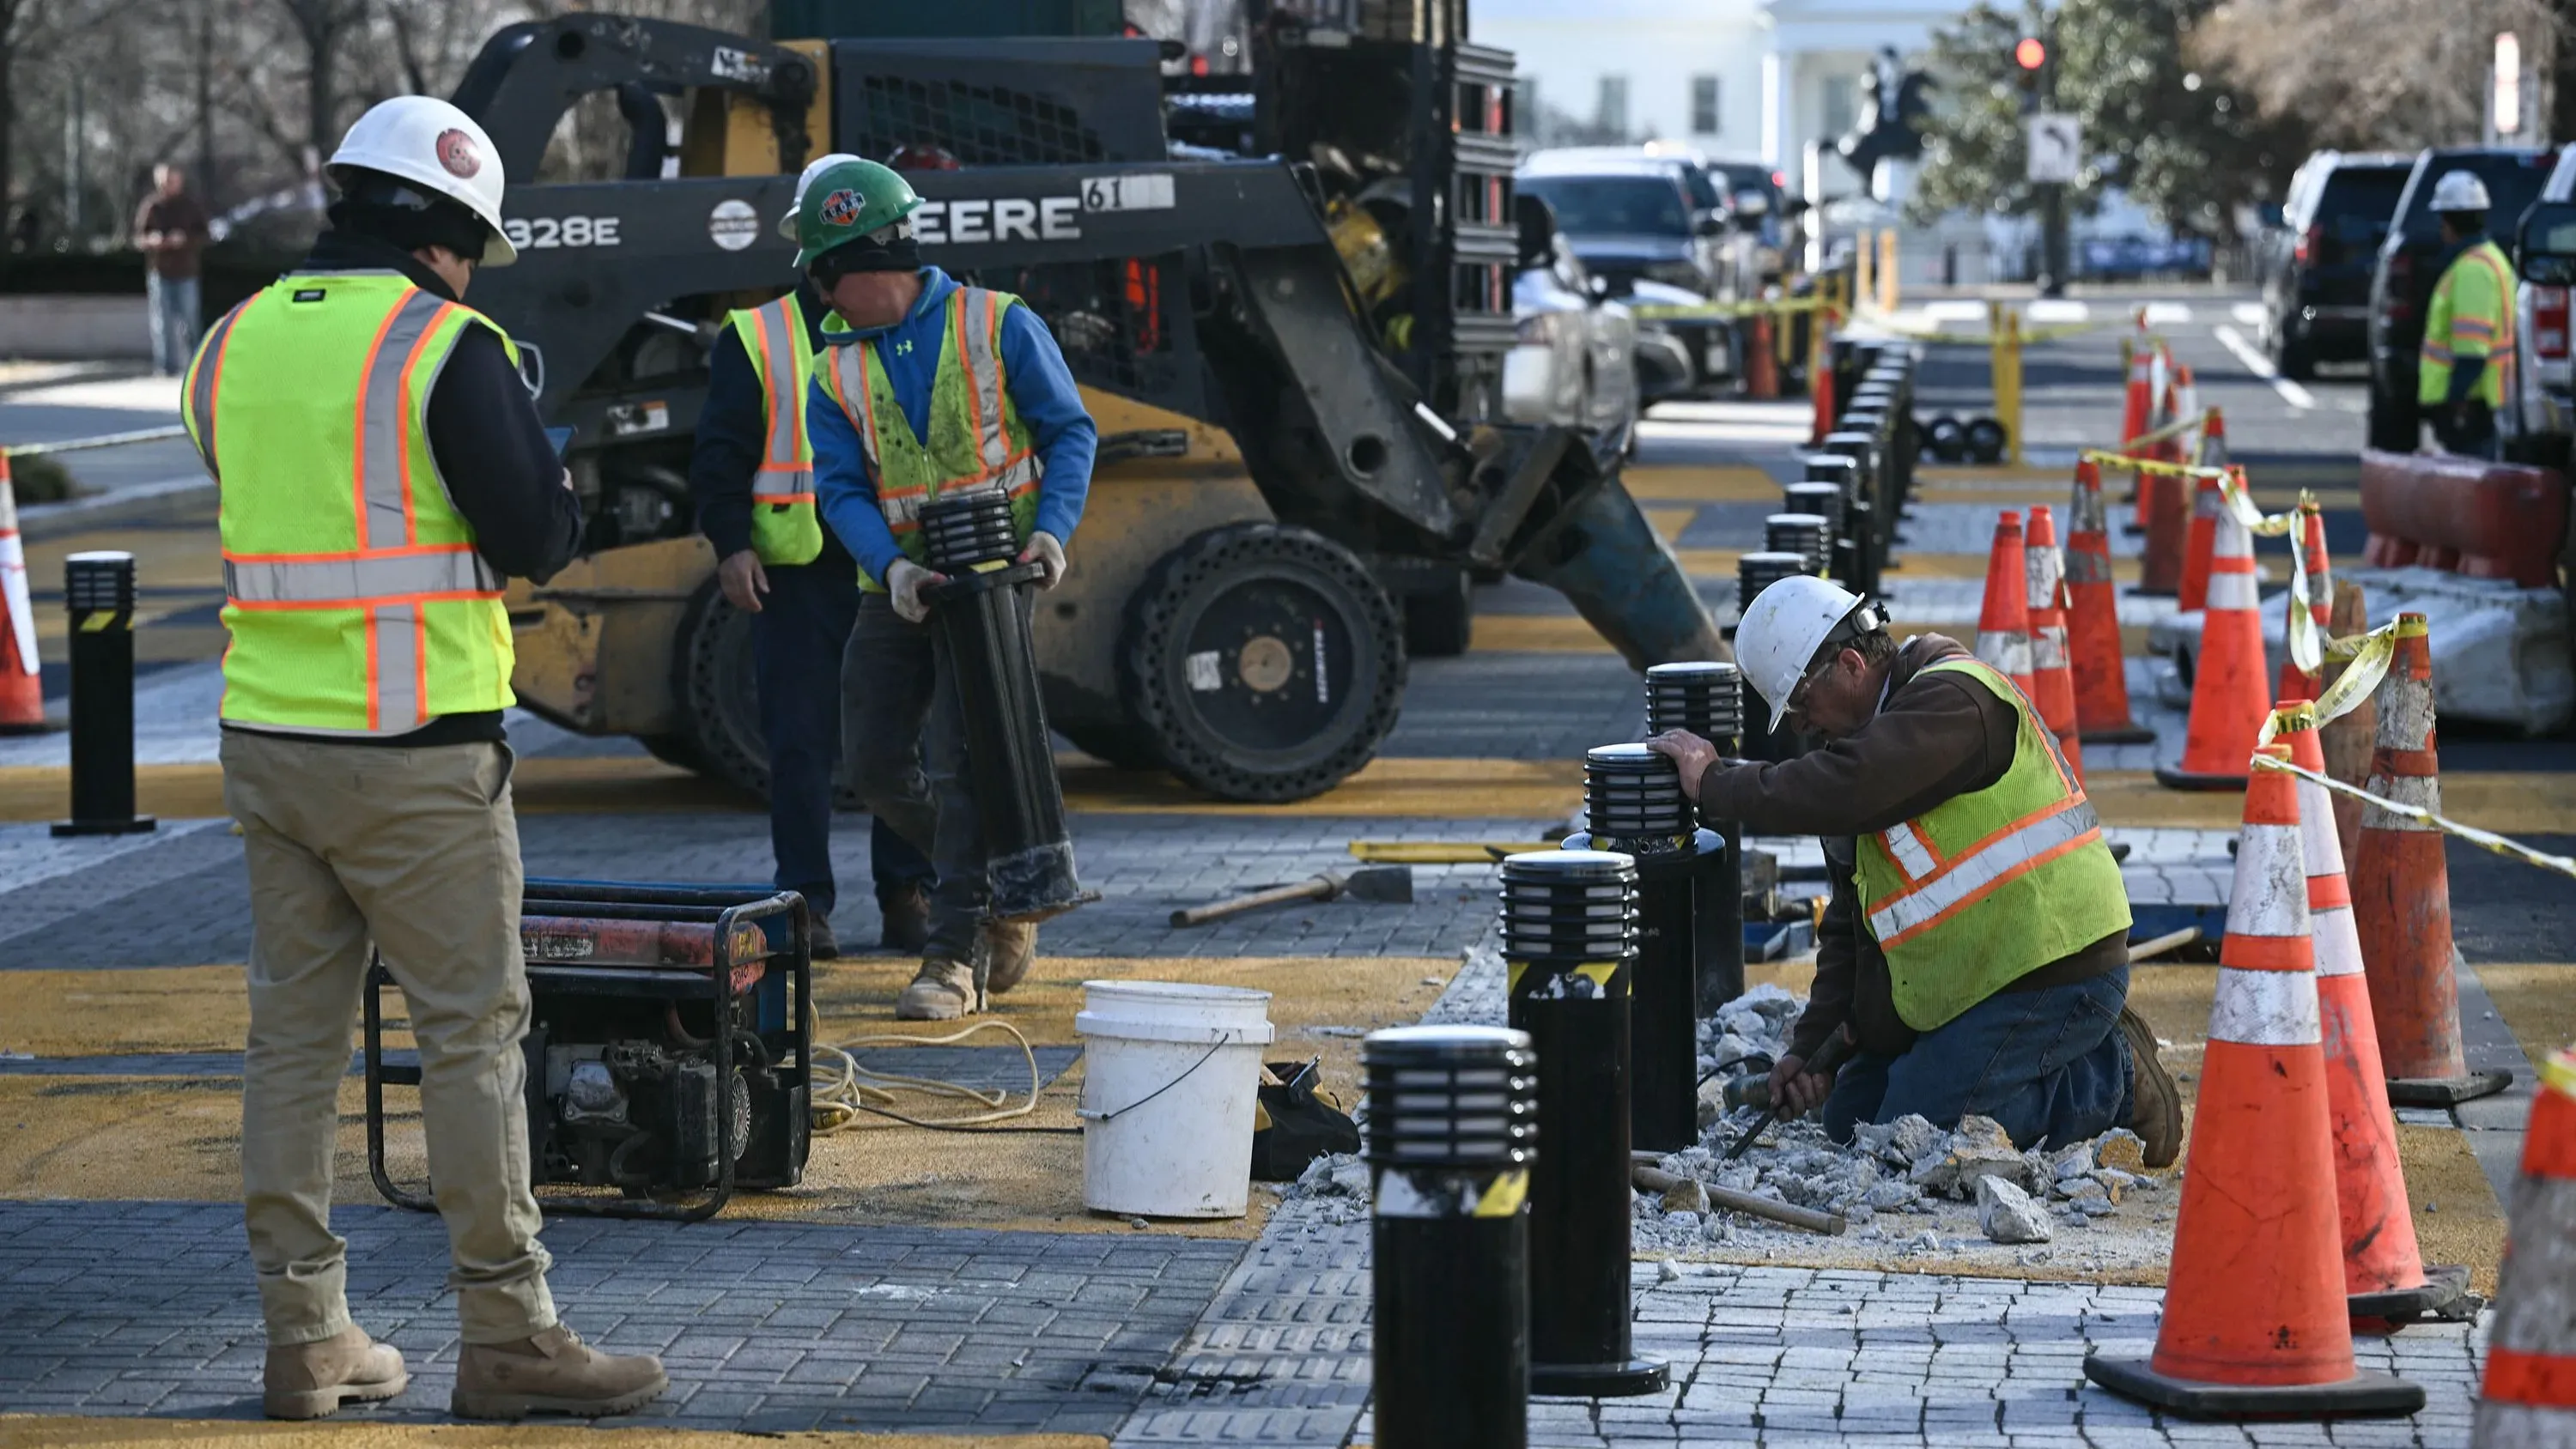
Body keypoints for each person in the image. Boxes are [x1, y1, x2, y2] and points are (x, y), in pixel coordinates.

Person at [179, 96, 665, 1421]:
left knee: (292, 1043)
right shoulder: (444, 345)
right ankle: (509, 1336)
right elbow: (537, 538)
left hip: (266, 740)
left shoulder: (228, 342)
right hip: (414, 752)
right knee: (470, 1038)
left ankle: (307, 1337)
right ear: (449, 236)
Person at [1646, 576, 2180, 1164]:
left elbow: (1853, 785)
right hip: (1976, 981)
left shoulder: (1954, 700)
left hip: (2055, 971)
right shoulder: (1858, 759)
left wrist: (1717, 784)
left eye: (1800, 704)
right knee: (1852, 1121)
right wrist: (1812, 1048)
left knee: (1919, 1128)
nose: (1800, 726)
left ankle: (2114, 1079)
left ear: (1851, 665)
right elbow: (1851, 926)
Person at [800, 158, 1097, 1021]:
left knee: (961, 762)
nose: (819, 298)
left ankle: (953, 956)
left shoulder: (997, 322)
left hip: (994, 581)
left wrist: (1052, 531)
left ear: (858, 265)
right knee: (876, 763)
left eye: (822, 277)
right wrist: (893, 568)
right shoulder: (834, 371)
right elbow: (841, 491)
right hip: (898, 586)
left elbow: (1069, 431)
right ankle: (1007, 884)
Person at [689, 151, 938, 961]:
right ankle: (805, 905)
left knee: (899, 739)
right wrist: (732, 545)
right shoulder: (757, 335)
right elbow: (720, 453)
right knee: (800, 743)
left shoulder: (903, 319)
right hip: (798, 572)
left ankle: (907, 894)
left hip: (892, 564)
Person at [2418, 170, 2516, 459]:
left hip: (2472, 403)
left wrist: (2456, 398)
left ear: (2450, 222)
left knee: (2471, 469)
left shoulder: (2473, 269)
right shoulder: (2489, 259)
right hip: (2480, 401)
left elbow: (2472, 349)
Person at [135, 163, 210, 376]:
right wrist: (152, 240)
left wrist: (185, 239)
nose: (167, 185)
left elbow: (205, 235)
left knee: (190, 321)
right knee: (161, 323)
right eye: (163, 181)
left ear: (179, 181)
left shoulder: (191, 206)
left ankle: (195, 366)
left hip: (186, 272)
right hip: (159, 272)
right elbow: (139, 238)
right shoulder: (151, 207)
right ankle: (165, 367)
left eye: (171, 180)